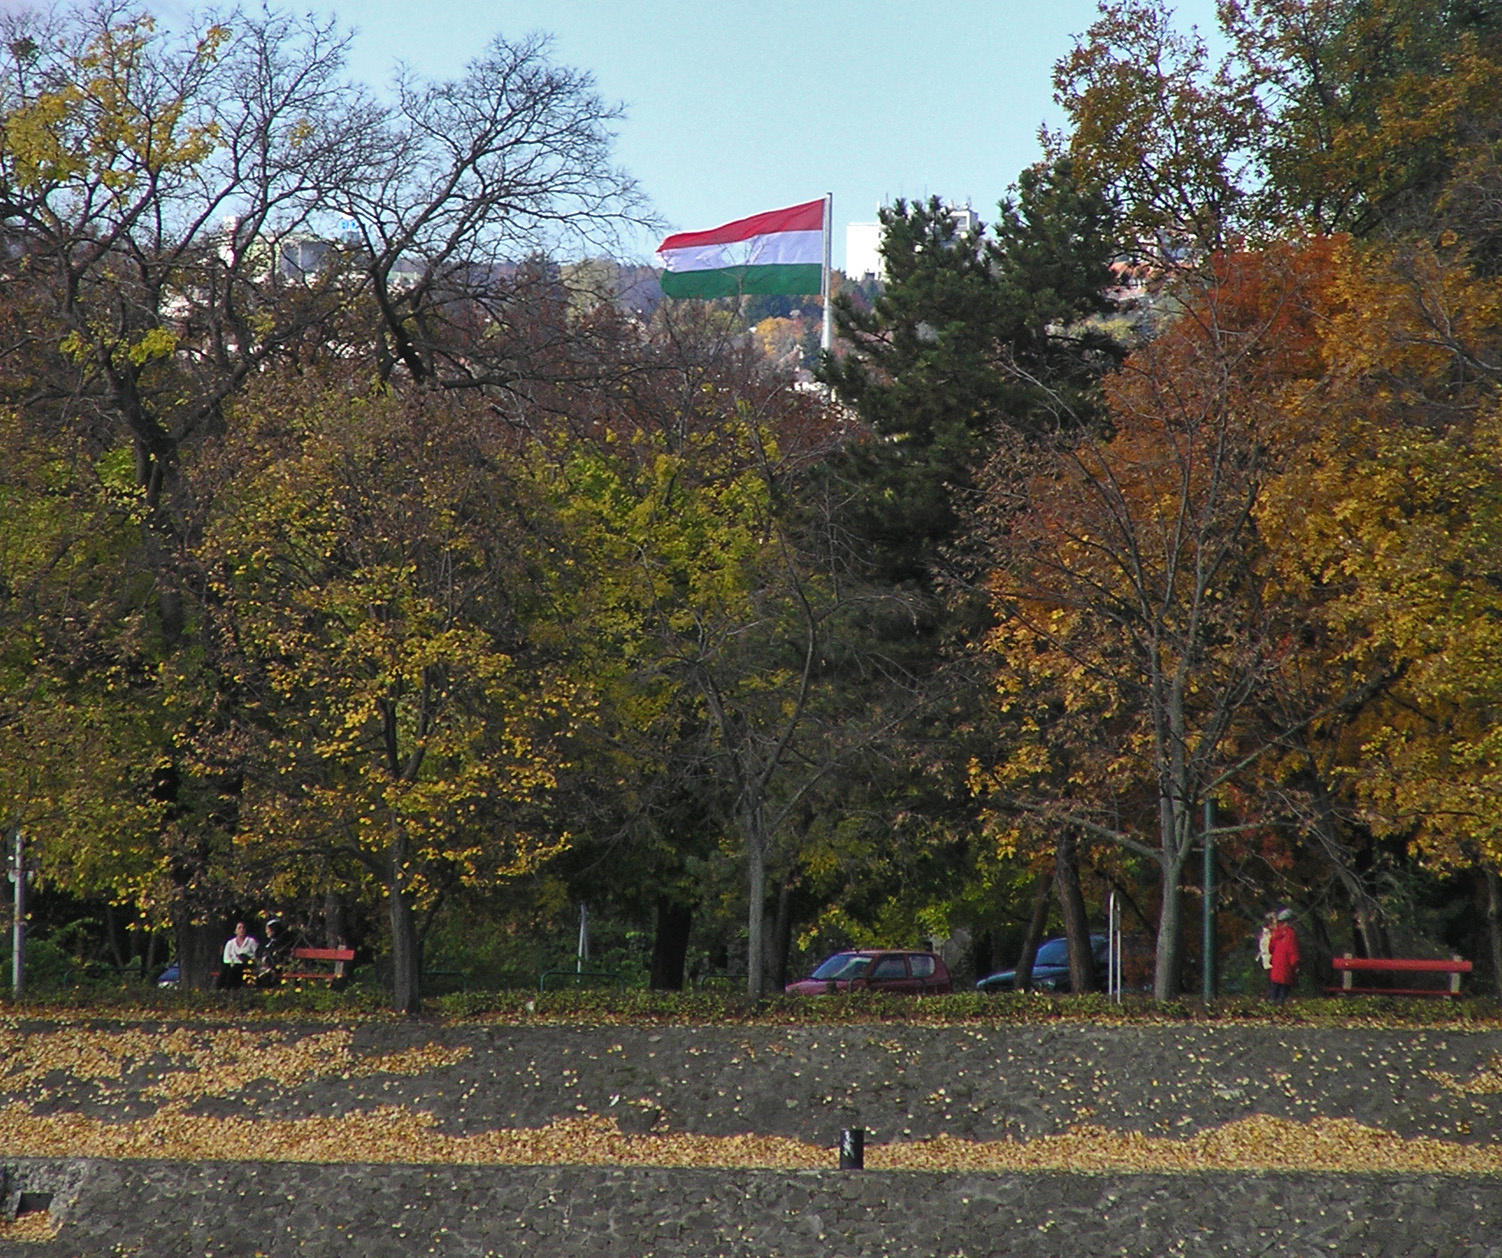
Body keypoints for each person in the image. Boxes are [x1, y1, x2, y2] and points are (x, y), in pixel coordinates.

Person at [1268, 908, 1300, 1005]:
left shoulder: (1276, 933)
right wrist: (1296, 964)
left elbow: (1271, 947)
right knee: (1284, 986)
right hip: (1287, 964)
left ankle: (1271, 1004)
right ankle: (1280, 1005)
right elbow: (1292, 950)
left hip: (1277, 962)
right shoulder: (1290, 934)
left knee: (1274, 986)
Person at [217, 921, 258, 989]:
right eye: (239, 928)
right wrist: (232, 962)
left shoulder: (251, 941)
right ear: (235, 930)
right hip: (232, 964)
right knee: (225, 970)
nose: (241, 930)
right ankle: (219, 989)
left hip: (246, 964)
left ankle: (229, 988)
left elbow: (256, 955)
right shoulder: (230, 943)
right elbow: (226, 958)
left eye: (243, 928)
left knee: (234, 970)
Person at [1257, 911, 1276, 995]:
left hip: (1272, 959)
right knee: (1272, 981)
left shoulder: (1269, 934)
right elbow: (1267, 948)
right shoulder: (1267, 935)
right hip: (1269, 959)